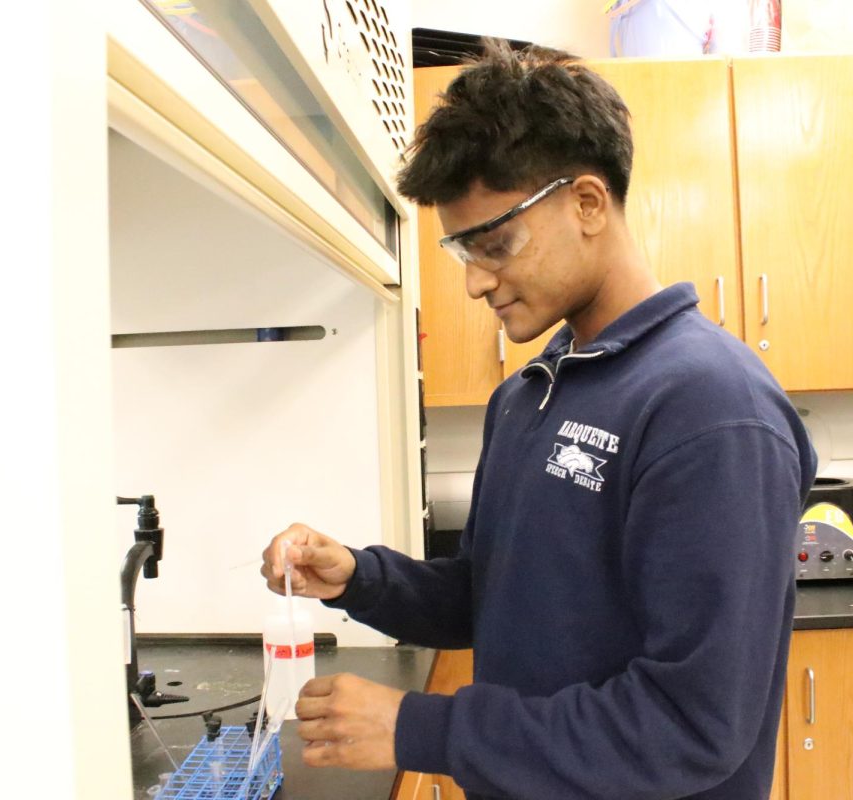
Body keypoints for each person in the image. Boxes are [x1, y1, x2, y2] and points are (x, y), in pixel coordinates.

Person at [261, 39, 817, 800]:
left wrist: (418, 728)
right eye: (463, 249)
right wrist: (361, 578)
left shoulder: (711, 409)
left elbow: (692, 726)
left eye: (496, 244)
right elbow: (494, 596)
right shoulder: (529, 393)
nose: (475, 281)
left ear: (587, 203)